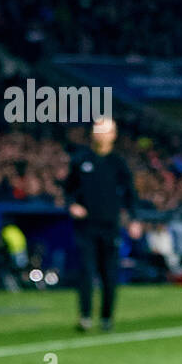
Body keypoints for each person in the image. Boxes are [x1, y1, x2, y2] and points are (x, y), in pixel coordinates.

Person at [64, 117, 136, 332]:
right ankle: (85, 316)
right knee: (86, 271)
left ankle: (107, 317)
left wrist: (133, 219)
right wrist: (72, 205)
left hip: (109, 225)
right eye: (97, 130)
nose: (100, 134)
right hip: (86, 226)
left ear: (113, 135)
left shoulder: (118, 163)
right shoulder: (81, 161)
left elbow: (130, 193)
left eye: (105, 130)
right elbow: (68, 189)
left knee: (109, 273)